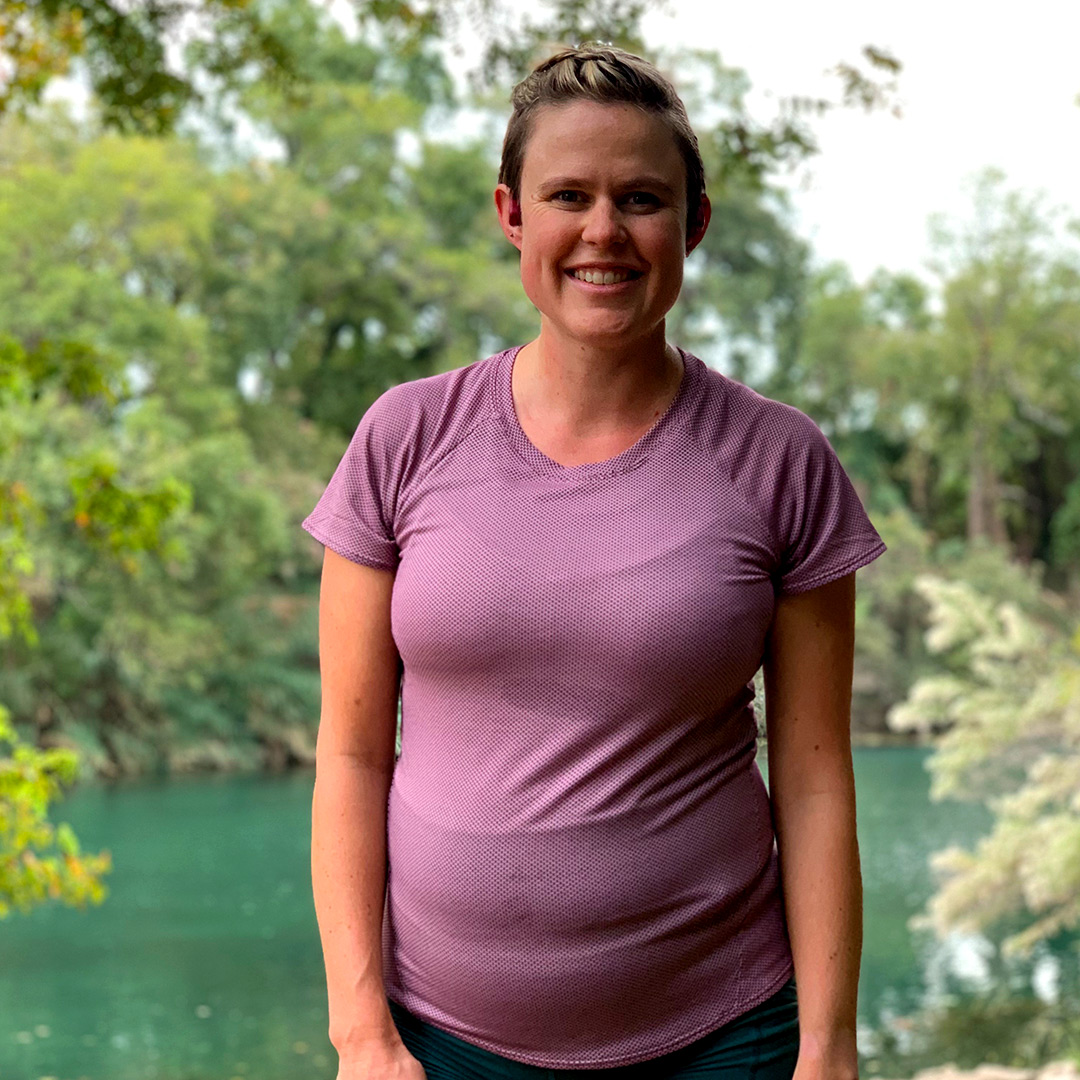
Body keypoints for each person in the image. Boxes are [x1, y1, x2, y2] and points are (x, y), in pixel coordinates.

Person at [302, 44, 886, 1080]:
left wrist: (828, 1045)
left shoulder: (778, 460)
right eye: (568, 194)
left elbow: (809, 772)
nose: (604, 232)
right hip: (436, 1042)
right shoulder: (403, 440)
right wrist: (361, 1034)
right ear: (511, 214)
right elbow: (350, 757)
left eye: (643, 199)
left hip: (724, 1037)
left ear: (693, 224)